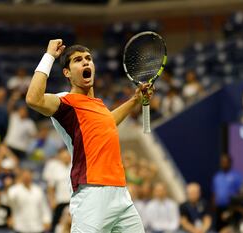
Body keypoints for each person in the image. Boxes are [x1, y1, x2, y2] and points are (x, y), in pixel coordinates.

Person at [26, 39, 153, 232]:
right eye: (78, 60)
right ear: (67, 73)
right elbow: (33, 99)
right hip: (91, 192)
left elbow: (108, 122)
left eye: (88, 58)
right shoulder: (65, 102)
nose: (85, 62)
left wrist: (135, 99)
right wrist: (50, 55)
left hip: (120, 193)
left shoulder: (98, 105)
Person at [7, 168, 51, 233]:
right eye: (24, 175)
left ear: (31, 176)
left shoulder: (38, 190)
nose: (26, 177)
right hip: (20, 227)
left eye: (28, 175)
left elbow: (44, 207)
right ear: (21, 176)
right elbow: (10, 200)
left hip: (37, 227)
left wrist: (47, 220)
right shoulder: (14, 190)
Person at [42, 148, 72, 232]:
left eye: (67, 155)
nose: (66, 157)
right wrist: (52, 202)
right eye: (63, 155)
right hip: (60, 202)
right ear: (59, 156)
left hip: (73, 202)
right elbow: (50, 187)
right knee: (57, 226)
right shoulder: (54, 168)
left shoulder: (73, 166)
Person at [212, 155, 243, 232]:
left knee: (231, 229)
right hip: (219, 208)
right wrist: (213, 205)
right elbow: (214, 192)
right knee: (219, 229)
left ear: (230, 163)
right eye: (222, 162)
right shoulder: (217, 176)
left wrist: (235, 207)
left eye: (225, 162)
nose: (224, 164)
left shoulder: (237, 176)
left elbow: (241, 193)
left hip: (232, 208)